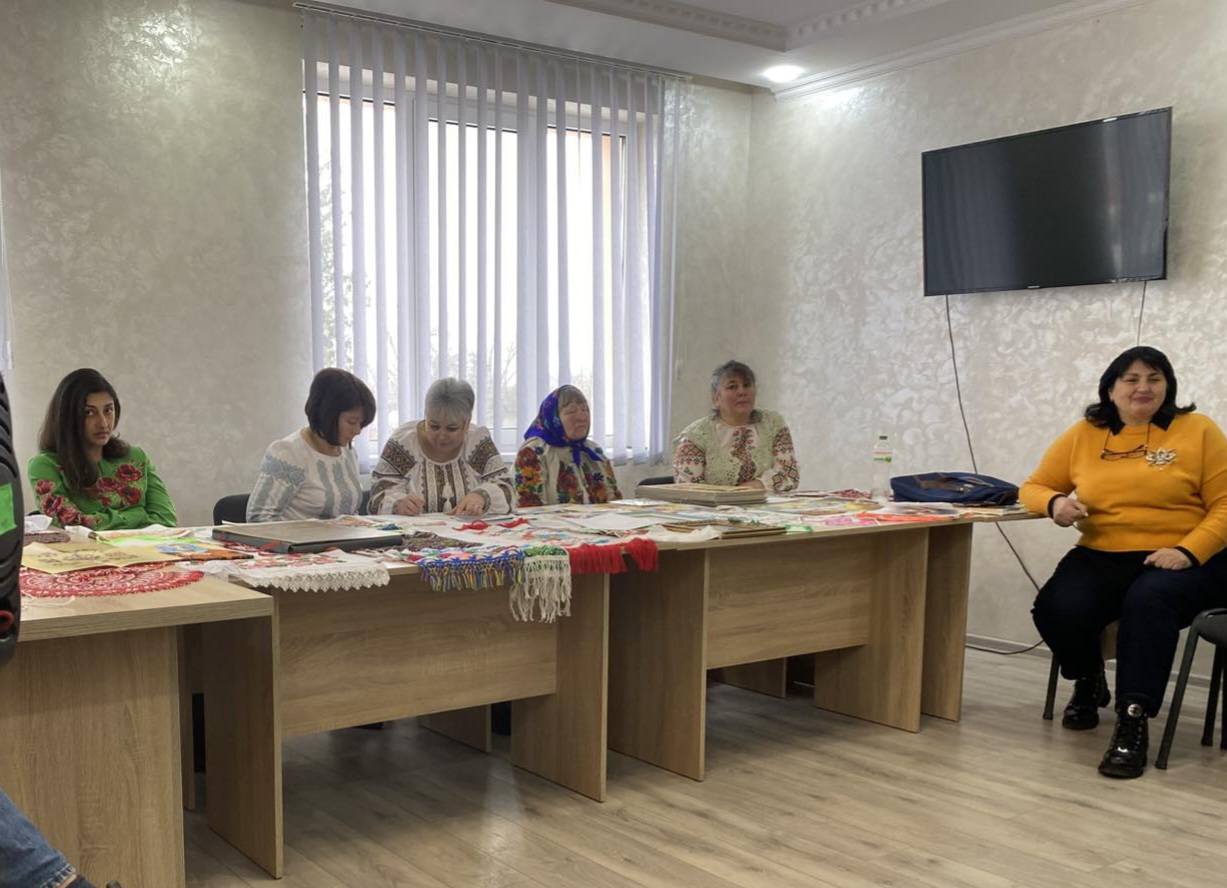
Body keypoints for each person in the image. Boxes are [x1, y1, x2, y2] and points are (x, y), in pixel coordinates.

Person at [1022, 345, 1227, 779]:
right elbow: (1034, 486)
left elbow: (1225, 504)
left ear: (1168, 386)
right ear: (1110, 389)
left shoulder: (1198, 430)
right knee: (1057, 608)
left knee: (1148, 602)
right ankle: (1088, 677)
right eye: (1131, 379)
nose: (1143, 388)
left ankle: (1132, 719)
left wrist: (1188, 551)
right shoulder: (1085, 433)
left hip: (1186, 555)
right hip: (1104, 551)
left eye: (1154, 378)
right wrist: (1055, 502)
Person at [27, 369, 176, 530]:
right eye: (89, 412)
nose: (103, 423)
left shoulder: (136, 458)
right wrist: (137, 515)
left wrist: (103, 521)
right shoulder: (45, 466)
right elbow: (73, 524)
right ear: (68, 417)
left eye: (108, 410)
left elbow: (166, 520)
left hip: (145, 547)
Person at [369, 378, 514, 516]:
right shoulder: (404, 443)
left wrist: (482, 497)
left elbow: (507, 489)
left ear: (466, 423)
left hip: (470, 530)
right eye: (434, 426)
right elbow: (377, 497)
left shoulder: (476, 443)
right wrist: (397, 504)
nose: (441, 436)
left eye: (451, 428)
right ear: (426, 416)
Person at [247, 368, 375, 521]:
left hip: (343, 536)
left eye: (362, 423)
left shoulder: (348, 452)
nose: (358, 431)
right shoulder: (288, 453)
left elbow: (348, 513)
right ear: (327, 414)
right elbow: (258, 518)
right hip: (301, 537)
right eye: (352, 422)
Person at [672, 360, 799, 492]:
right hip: (714, 505)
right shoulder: (695, 436)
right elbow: (687, 490)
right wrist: (733, 496)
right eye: (732, 387)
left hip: (769, 503)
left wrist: (755, 486)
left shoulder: (773, 423)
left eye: (747, 385)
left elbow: (790, 475)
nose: (742, 392)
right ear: (716, 398)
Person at [515, 385, 622, 507]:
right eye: (571, 411)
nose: (582, 417)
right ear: (553, 417)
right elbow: (528, 507)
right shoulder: (533, 452)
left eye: (585, 410)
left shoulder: (594, 450)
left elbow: (614, 500)